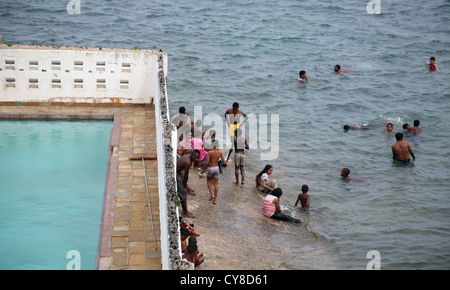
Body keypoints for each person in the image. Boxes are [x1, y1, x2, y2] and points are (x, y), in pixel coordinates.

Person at [201, 140, 227, 204]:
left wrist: (203, 170)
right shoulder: (220, 152)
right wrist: (223, 164)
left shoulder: (210, 152)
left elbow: (207, 162)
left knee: (208, 181)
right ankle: (215, 200)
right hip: (217, 168)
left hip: (211, 168)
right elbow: (224, 162)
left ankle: (212, 194)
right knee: (216, 184)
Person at [176, 150, 200, 218]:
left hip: (178, 172)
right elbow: (186, 175)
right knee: (183, 194)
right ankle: (185, 212)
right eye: (195, 157)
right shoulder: (188, 162)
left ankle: (187, 189)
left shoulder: (188, 156)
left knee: (184, 187)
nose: (196, 159)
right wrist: (184, 187)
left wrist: (185, 186)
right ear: (192, 155)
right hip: (175, 174)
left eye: (197, 158)